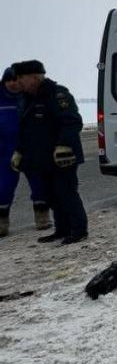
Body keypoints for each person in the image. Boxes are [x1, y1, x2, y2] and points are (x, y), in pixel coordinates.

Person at [10, 60, 87, 244]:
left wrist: (64, 145)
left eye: (22, 78)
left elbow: (72, 121)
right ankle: (62, 229)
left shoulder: (57, 94)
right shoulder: (28, 99)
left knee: (66, 193)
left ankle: (79, 230)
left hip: (62, 158)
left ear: (35, 77)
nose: (19, 82)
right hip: (42, 159)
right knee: (51, 195)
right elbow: (26, 130)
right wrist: (19, 151)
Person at [1, 67, 51, 237]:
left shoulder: (30, 97)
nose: (14, 84)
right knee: (4, 187)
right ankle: (2, 222)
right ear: (4, 81)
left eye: (17, 80)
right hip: (4, 151)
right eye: (10, 80)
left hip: (30, 150)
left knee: (39, 184)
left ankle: (42, 217)